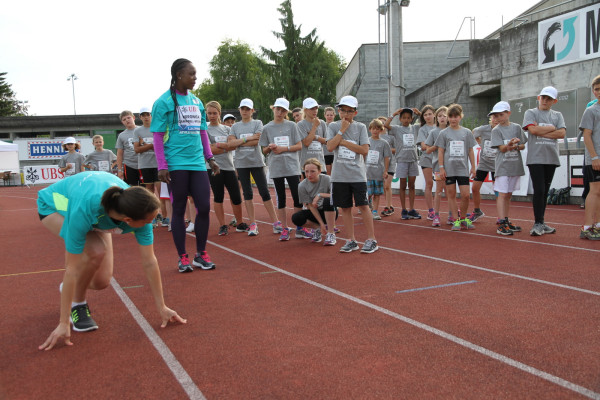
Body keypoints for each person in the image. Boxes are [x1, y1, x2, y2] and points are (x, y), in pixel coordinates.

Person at [37, 171, 186, 351]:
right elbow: (72, 269)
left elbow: (149, 261)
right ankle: (77, 305)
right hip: (55, 206)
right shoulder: (84, 210)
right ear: (128, 220)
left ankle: (70, 289)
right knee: (96, 250)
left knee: (102, 282)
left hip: (100, 212)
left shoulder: (136, 209)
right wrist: (63, 322)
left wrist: (162, 307)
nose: (151, 224)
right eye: (149, 221)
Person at [150, 58, 219, 272]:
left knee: (204, 207)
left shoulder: (197, 102)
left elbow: (202, 132)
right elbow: (157, 136)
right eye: (191, 74)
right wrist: (162, 166)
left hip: (197, 163)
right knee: (179, 209)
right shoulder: (163, 102)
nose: (195, 78)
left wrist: (210, 158)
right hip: (176, 163)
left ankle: (201, 253)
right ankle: (182, 257)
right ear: (179, 75)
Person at [327, 95, 378, 253]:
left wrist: (343, 142)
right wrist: (341, 131)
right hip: (339, 175)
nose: (346, 114)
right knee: (345, 208)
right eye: (343, 110)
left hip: (357, 174)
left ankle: (372, 239)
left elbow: (364, 150)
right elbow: (330, 147)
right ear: (338, 111)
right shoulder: (333, 126)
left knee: (363, 205)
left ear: (355, 112)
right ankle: (351, 240)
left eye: (349, 111)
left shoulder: (361, 127)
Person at [259, 98, 309, 240]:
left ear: (287, 112)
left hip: (292, 166)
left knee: (297, 197)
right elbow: (264, 150)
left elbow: (299, 146)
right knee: (281, 198)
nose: (280, 113)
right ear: (273, 109)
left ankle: (299, 227)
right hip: (276, 167)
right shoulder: (267, 128)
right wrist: (270, 147)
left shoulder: (292, 126)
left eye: (283, 110)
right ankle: (284, 228)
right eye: (278, 109)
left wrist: (283, 148)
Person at [227, 98, 279, 236]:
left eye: (247, 109)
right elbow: (231, 144)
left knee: (264, 192)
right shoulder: (234, 127)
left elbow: (257, 141)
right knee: (247, 193)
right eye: (242, 109)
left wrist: (239, 142)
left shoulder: (258, 123)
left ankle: (276, 223)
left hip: (256, 162)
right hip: (241, 164)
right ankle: (253, 224)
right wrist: (248, 138)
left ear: (252, 111)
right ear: (239, 110)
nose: (244, 111)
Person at [522, 86, 566, 236]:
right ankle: (537, 223)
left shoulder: (558, 115)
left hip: (551, 158)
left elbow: (562, 133)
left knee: (545, 191)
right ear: (538, 98)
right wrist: (552, 128)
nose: (545, 101)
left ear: (554, 101)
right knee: (539, 189)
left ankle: (541, 222)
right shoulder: (531, 112)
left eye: (549, 99)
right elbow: (533, 130)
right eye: (543, 97)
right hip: (535, 158)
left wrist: (543, 131)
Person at [434, 104, 477, 231]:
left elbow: (470, 150)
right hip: (449, 169)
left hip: (462, 169)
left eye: (456, 116)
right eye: (451, 116)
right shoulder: (443, 133)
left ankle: (463, 218)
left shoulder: (467, 132)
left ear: (460, 117)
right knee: (451, 194)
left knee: (465, 195)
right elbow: (440, 151)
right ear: (448, 118)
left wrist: (473, 167)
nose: (453, 119)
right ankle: (456, 220)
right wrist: (441, 168)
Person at [205, 100, 244, 236]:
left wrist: (218, 146)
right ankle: (222, 225)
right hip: (213, 168)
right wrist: (225, 146)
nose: (212, 116)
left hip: (229, 167)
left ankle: (240, 223)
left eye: (214, 113)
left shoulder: (227, 129)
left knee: (236, 196)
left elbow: (233, 146)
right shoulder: (204, 130)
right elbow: (209, 150)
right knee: (218, 196)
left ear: (219, 113)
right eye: (209, 113)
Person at [489, 101, 527, 236]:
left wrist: (515, 146)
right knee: (502, 194)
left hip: (514, 165)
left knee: (509, 194)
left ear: (508, 113)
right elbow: (502, 148)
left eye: (501, 114)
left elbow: (523, 145)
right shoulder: (496, 130)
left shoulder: (516, 127)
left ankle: (506, 219)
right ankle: (501, 223)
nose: (499, 118)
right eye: (496, 115)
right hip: (503, 166)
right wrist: (510, 144)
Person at [384, 107, 421, 220]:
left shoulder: (415, 128)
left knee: (412, 186)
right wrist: (394, 114)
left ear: (412, 119)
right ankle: (404, 209)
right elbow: (386, 125)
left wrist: (419, 113)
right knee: (403, 185)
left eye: (408, 118)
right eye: (404, 117)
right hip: (402, 160)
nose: (406, 119)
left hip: (413, 160)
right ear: (400, 119)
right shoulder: (397, 129)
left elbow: (425, 123)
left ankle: (411, 209)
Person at [292, 158, 338, 245]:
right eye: (306, 171)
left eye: (312, 171)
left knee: (328, 200)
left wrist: (320, 195)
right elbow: (310, 206)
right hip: (315, 211)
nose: (309, 175)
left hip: (330, 211)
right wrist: (321, 224)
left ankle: (331, 233)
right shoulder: (302, 186)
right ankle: (317, 229)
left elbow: (337, 196)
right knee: (296, 218)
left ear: (319, 171)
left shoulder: (327, 179)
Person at [578, 74, 600, 240]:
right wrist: (594, 157)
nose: (599, 92)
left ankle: (598, 225)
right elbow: (586, 135)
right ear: (593, 92)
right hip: (595, 158)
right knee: (594, 191)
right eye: (597, 89)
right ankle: (586, 227)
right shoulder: (591, 111)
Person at [134, 107, 162, 225]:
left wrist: (145, 145)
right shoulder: (137, 131)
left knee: (161, 191)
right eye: (143, 115)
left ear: (151, 115)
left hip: (159, 163)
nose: (146, 117)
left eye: (148, 114)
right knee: (149, 191)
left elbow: (161, 147)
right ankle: (154, 214)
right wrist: (151, 145)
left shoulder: (157, 128)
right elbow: (137, 149)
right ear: (140, 117)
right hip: (145, 164)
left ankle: (164, 215)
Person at [468, 117, 497, 222]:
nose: (496, 120)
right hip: (484, 163)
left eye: (499, 117)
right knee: (475, 188)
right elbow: (472, 133)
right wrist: (480, 143)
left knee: (498, 191)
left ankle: (501, 217)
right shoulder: (484, 129)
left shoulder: (503, 129)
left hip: (497, 165)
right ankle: (477, 211)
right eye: (494, 117)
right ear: (491, 119)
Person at [425, 106, 449, 227]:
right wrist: (437, 145)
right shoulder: (433, 132)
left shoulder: (452, 130)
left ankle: (452, 214)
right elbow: (427, 150)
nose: (442, 118)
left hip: (452, 166)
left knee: (450, 191)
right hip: (438, 167)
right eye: (440, 116)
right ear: (436, 118)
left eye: (445, 115)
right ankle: (436, 215)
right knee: (439, 190)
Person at [366, 119, 391, 220]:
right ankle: (367, 206)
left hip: (378, 173)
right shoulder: (366, 141)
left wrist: (385, 170)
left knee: (377, 194)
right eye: (373, 129)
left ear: (381, 130)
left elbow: (386, 157)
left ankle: (375, 212)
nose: (375, 131)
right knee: (368, 193)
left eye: (377, 129)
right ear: (370, 129)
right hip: (367, 172)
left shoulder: (384, 143)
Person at [416, 105, 437, 220]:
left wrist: (432, 146)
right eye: (425, 115)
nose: (428, 116)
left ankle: (451, 210)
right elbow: (424, 146)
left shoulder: (441, 127)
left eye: (430, 114)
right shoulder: (422, 129)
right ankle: (431, 210)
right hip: (427, 159)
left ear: (434, 114)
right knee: (429, 184)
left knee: (445, 185)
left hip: (440, 159)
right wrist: (437, 146)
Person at [297, 98, 327, 177]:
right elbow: (306, 142)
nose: (315, 111)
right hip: (306, 167)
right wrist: (315, 126)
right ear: (305, 110)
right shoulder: (301, 124)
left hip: (320, 165)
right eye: (312, 109)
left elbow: (328, 141)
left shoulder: (322, 123)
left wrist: (315, 137)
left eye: (316, 108)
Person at [116, 110, 142, 186]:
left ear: (133, 118)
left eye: (128, 118)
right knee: (131, 188)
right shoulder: (121, 135)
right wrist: (119, 170)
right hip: (129, 165)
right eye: (124, 119)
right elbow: (119, 154)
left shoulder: (142, 130)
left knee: (145, 187)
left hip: (143, 164)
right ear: (122, 122)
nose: (127, 120)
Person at [378, 116, 396, 216]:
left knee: (387, 185)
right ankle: (389, 205)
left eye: (383, 123)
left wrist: (386, 149)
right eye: (380, 123)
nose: (382, 125)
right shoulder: (375, 137)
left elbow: (397, 149)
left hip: (390, 163)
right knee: (384, 187)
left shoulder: (391, 137)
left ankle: (388, 207)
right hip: (379, 165)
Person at [323, 106, 336, 176]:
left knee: (334, 174)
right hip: (325, 153)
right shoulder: (322, 125)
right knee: (328, 174)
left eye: (331, 115)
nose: (329, 117)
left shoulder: (337, 126)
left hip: (335, 153)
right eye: (327, 115)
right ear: (325, 115)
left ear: (334, 115)